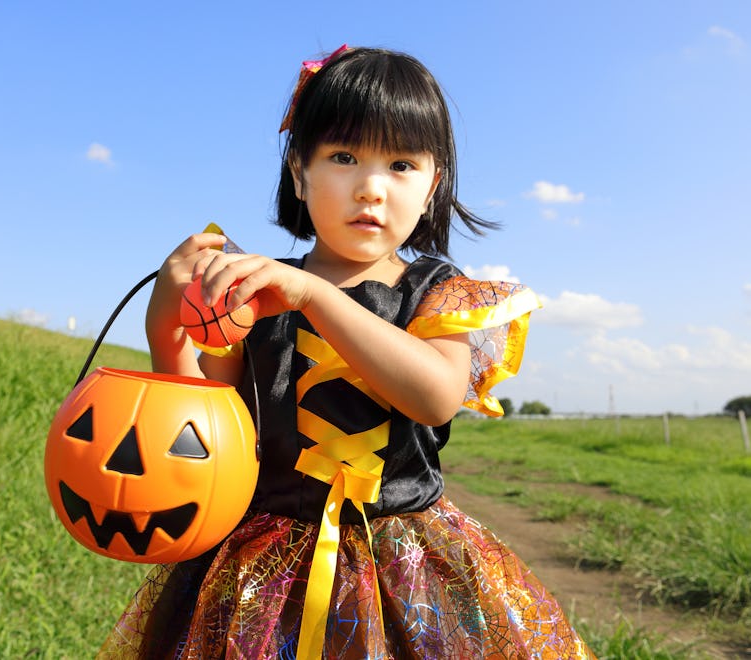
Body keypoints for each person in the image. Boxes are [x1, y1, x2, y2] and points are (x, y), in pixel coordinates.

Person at [99, 45, 596, 659]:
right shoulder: (254, 293)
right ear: (299, 174)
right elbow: (206, 434)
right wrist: (166, 327)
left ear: (432, 183)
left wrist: (313, 297)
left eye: (401, 164)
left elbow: (436, 396)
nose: (371, 187)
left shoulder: (437, 291)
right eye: (342, 157)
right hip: (259, 569)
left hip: (405, 564)